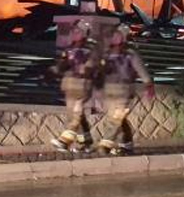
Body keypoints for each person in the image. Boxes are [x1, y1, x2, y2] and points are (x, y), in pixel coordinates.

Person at [98, 24, 152, 156]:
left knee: (116, 118)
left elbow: (142, 71)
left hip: (124, 92)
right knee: (119, 119)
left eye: (119, 35)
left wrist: (148, 85)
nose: (115, 38)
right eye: (114, 35)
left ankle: (105, 145)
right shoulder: (107, 54)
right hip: (109, 91)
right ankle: (127, 145)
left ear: (124, 37)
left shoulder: (130, 54)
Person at [49, 20, 99, 153]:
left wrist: (85, 68)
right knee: (76, 115)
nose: (74, 33)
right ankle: (86, 143)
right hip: (69, 85)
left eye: (77, 31)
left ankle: (64, 142)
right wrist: (55, 70)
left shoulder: (91, 49)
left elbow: (93, 64)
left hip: (82, 86)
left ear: (85, 33)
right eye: (73, 31)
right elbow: (63, 64)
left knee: (76, 114)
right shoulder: (70, 48)